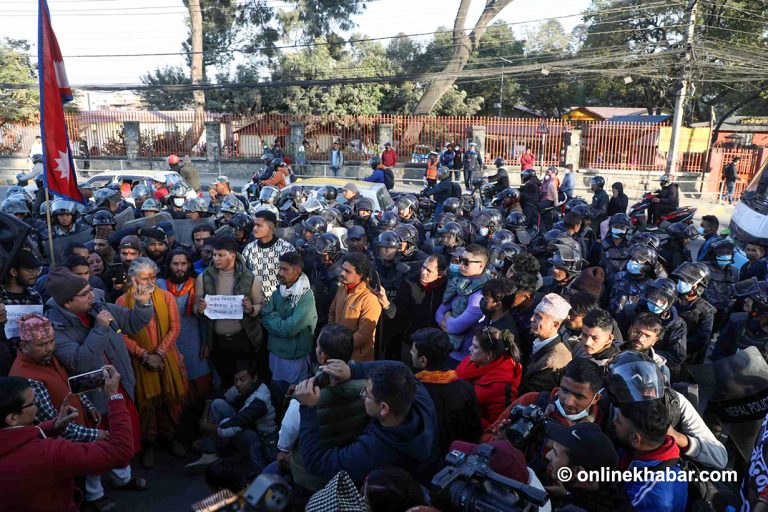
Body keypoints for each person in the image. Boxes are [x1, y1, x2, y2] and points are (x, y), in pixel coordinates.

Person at [9, 314, 124, 512]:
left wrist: (88, 406)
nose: (50, 348)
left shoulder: (47, 358)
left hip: (79, 425)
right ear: (24, 345)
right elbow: (54, 423)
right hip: (63, 442)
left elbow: (69, 385)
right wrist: (96, 435)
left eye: (52, 341)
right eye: (42, 344)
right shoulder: (26, 377)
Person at [0, 367, 134, 512]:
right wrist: (114, 396)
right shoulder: (48, 453)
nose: (37, 405)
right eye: (33, 403)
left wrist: (54, 426)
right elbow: (121, 450)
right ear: (12, 418)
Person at [293, 359, 439, 485]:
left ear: (383, 408)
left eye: (366, 394)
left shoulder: (374, 452)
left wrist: (308, 407)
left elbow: (316, 463)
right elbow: (400, 367)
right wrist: (352, 370)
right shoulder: (418, 396)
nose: (362, 396)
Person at [115, 258, 187, 467]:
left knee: (172, 401)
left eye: (153, 277)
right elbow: (120, 334)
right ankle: (149, 445)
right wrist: (144, 355)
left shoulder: (166, 297)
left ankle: (171, 438)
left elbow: (175, 328)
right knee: (147, 406)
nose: (149, 282)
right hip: (140, 361)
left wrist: (160, 353)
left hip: (166, 358)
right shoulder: (122, 302)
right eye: (144, 278)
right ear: (133, 278)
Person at [195, 236, 264, 387]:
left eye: (221, 255)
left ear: (232, 255)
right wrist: (199, 309)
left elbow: (260, 305)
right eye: (214, 254)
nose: (216, 258)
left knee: (245, 380)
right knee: (225, 381)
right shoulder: (203, 277)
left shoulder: (250, 278)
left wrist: (251, 309)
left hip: (244, 340)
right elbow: (196, 308)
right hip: (217, 342)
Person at [190, 361, 277, 473]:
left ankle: (214, 448)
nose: (238, 384)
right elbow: (218, 395)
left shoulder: (260, 399)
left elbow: (237, 424)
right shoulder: (244, 387)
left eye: (242, 379)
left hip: (263, 438)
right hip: (247, 425)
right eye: (236, 380)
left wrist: (206, 427)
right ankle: (210, 451)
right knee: (217, 404)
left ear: (254, 378)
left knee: (231, 427)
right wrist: (204, 416)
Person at [410, 328, 481, 453]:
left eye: (413, 351)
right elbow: (474, 430)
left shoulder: (415, 392)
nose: (410, 352)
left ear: (423, 360)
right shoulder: (465, 388)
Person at [613, 399, 688, 512]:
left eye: (619, 421)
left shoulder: (650, 495)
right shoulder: (648, 452)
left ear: (635, 439)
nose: (614, 422)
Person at [261, 252, 318, 398]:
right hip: (276, 354)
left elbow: (290, 329)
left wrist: (273, 318)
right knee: (278, 396)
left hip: (295, 359)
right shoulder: (279, 291)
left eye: (285, 269)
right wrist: (276, 319)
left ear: (297, 270)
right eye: (279, 268)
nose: (280, 273)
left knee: (296, 398)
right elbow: (264, 315)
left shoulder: (306, 297)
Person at [158, 250, 211, 401]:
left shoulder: (197, 283)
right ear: (169, 265)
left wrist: (206, 342)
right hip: (169, 342)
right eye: (175, 264)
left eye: (183, 264)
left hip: (195, 340)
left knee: (199, 385)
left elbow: (204, 317)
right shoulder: (160, 285)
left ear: (189, 265)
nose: (179, 268)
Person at [543, 421, 626, 511]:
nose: (547, 455)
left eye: (555, 453)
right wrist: (567, 496)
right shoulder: (614, 491)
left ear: (579, 473)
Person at [436, 244, 492, 365]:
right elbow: (439, 312)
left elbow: (455, 327)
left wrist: (447, 317)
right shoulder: (462, 282)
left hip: (464, 357)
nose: (461, 264)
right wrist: (447, 321)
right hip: (450, 348)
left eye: (466, 262)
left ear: (481, 266)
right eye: (460, 259)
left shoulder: (481, 294)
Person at [456, 326, 522, 428]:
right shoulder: (473, 360)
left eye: (475, 347)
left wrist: (465, 416)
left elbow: (498, 424)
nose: (470, 349)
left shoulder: (502, 385)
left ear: (489, 355)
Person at [327, 253, 382, 362]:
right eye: (343, 269)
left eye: (348, 271)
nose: (342, 273)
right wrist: (332, 338)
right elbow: (332, 313)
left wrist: (341, 347)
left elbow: (363, 336)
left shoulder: (369, 299)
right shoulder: (342, 287)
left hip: (357, 362)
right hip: (337, 355)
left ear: (360, 275)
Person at [519, 293, 573, 395]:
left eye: (539, 317)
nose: (531, 319)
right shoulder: (541, 340)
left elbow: (531, 395)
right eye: (534, 314)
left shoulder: (551, 362)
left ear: (555, 324)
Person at [242, 210, 296, 300]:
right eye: (254, 225)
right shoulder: (249, 249)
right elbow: (243, 276)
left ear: (271, 227)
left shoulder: (286, 249)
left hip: (278, 304)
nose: (254, 228)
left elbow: (293, 280)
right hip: (253, 303)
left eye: (259, 225)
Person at [671, 262, 715, 366]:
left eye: (687, 281)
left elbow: (701, 339)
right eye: (680, 280)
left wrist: (678, 347)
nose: (681, 283)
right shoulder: (671, 299)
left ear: (699, 287)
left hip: (687, 358)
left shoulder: (706, 311)